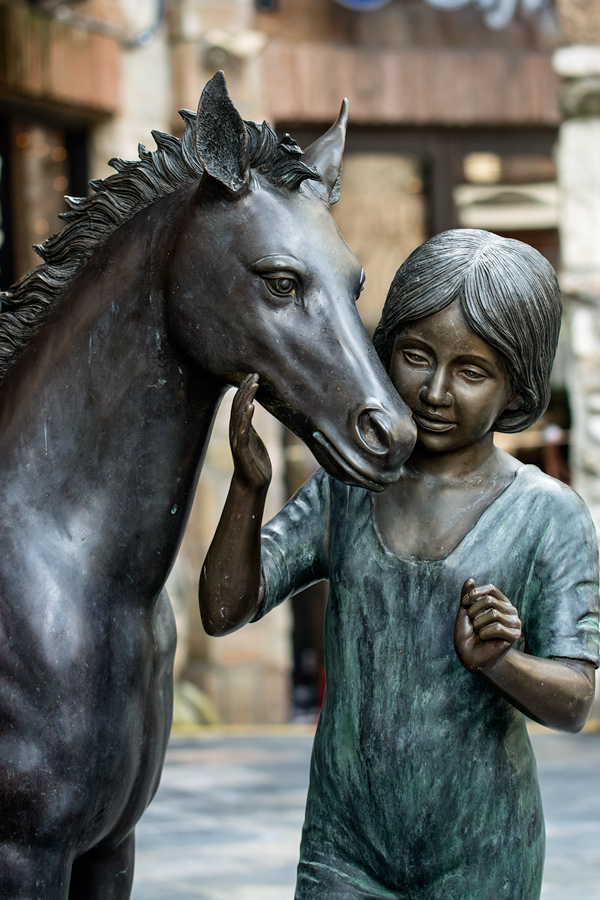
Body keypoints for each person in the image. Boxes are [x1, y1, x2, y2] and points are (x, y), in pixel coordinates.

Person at [199, 229, 600, 900]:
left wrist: (501, 663)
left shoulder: (548, 514)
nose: (436, 389)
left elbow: (575, 701)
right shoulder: (347, 488)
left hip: (482, 849)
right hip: (344, 843)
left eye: (472, 371)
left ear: (517, 385)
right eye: (417, 355)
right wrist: (247, 490)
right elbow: (223, 609)